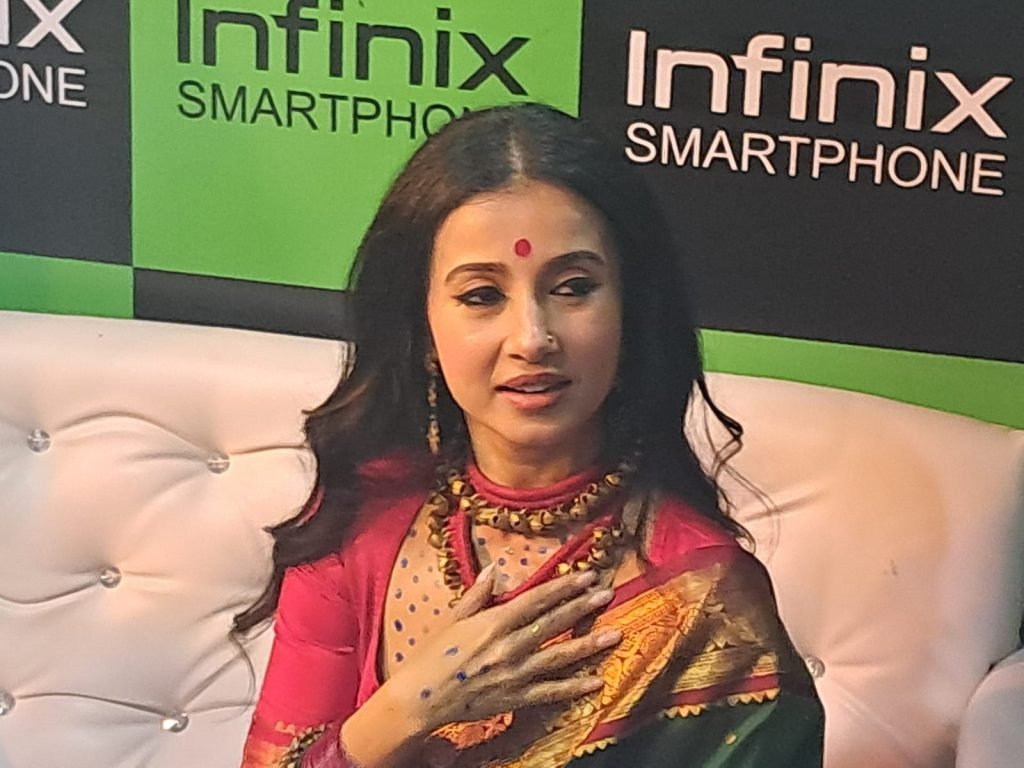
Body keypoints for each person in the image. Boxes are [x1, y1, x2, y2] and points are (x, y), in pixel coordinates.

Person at [236, 103, 825, 768]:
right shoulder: (359, 520)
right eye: (482, 296)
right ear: (421, 330)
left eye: (573, 288)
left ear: (631, 313)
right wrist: (406, 710)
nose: (532, 338)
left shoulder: (706, 601)